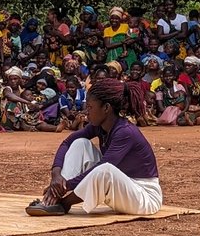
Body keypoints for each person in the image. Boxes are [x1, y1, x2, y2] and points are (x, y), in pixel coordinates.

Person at [26, 77, 162, 216]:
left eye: (90, 107)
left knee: (105, 170)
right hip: (121, 188)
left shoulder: (125, 132)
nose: (86, 112)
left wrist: (64, 186)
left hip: (144, 197)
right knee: (80, 144)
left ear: (106, 108)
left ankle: (63, 204)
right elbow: (67, 143)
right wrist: (56, 176)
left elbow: (102, 168)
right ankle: (54, 200)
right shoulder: (98, 126)